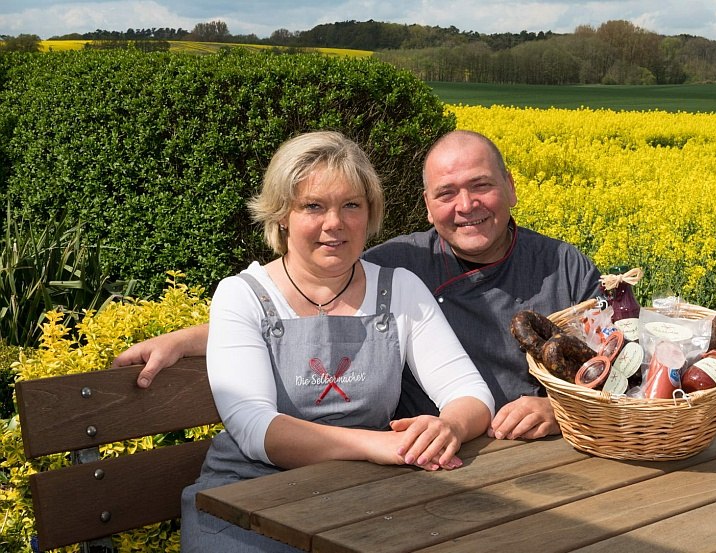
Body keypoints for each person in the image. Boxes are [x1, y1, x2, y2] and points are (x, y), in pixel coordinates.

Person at [114, 130, 600, 441]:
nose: (466, 205)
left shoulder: (566, 266)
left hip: (528, 451)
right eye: (446, 193)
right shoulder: (401, 265)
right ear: (427, 206)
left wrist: (561, 409)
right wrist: (189, 338)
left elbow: (630, 373)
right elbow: (314, 305)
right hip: (420, 457)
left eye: (481, 186)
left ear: (511, 187)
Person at [178, 131, 493, 552]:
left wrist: (449, 426)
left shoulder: (399, 289)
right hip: (246, 500)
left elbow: (468, 391)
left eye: (351, 205)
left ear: (369, 213)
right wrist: (379, 445)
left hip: (365, 497)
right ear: (282, 216)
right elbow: (255, 427)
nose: (334, 223)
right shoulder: (242, 295)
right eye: (313, 206)